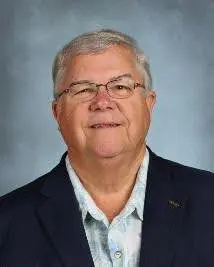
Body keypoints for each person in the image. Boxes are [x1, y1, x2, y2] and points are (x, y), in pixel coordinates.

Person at [0, 29, 213, 267]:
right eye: (83, 89)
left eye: (120, 87)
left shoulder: (209, 201)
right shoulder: (7, 223)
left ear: (148, 104)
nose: (102, 102)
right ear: (57, 112)